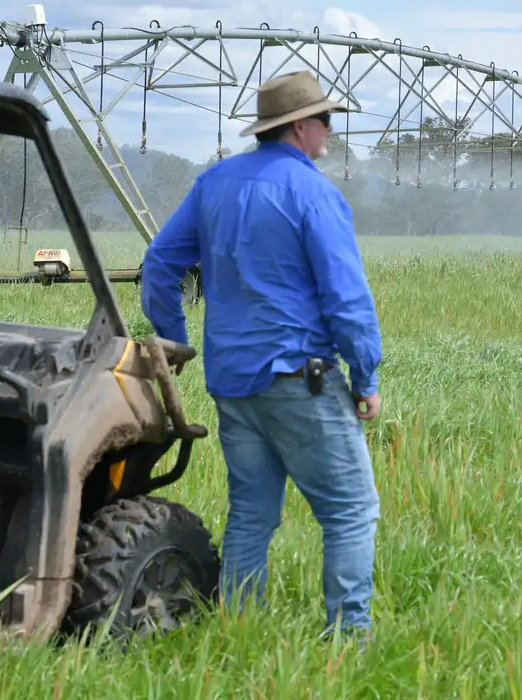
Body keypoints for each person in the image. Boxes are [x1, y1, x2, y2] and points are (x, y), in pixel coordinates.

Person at [139, 69, 383, 639]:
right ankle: (349, 642)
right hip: (301, 379)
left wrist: (177, 341)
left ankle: (240, 632)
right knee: (350, 511)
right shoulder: (314, 192)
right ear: (300, 127)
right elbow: (347, 298)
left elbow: (158, 267)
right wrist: (366, 376)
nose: (329, 130)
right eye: (325, 120)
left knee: (252, 513)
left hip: (232, 383)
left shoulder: (213, 184)